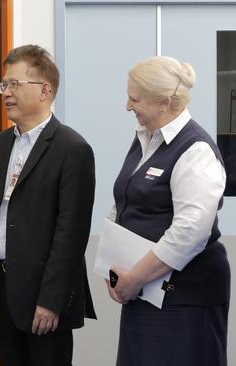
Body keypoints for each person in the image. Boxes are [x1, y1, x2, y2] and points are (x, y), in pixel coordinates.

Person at [0, 44, 96, 366]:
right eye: (3, 85)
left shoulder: (72, 148)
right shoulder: (2, 143)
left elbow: (71, 233)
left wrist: (51, 300)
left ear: (44, 90)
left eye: (14, 85)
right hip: (3, 287)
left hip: (43, 295)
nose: (6, 93)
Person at [107, 56, 230, 366]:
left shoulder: (196, 150)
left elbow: (190, 233)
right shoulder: (145, 139)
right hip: (144, 294)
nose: (127, 106)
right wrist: (113, 268)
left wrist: (133, 277)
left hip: (185, 300)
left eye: (134, 98)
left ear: (163, 103)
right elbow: (124, 201)